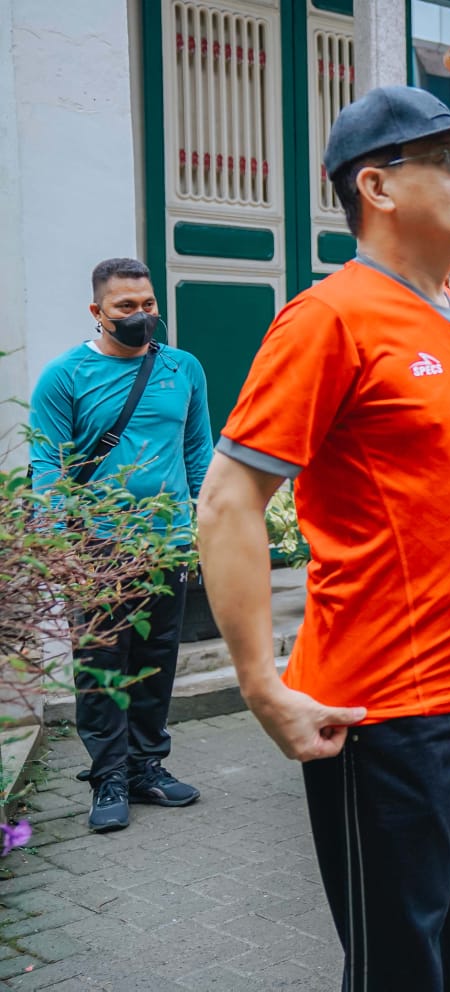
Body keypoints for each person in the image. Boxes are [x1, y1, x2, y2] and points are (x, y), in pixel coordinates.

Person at [196, 86, 450, 990]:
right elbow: (229, 501)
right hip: (387, 712)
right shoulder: (329, 317)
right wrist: (263, 688)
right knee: (400, 966)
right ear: (379, 188)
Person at [29, 257, 211, 833]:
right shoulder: (64, 376)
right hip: (97, 548)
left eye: (148, 304)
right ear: (97, 312)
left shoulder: (183, 369)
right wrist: (59, 546)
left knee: (157, 662)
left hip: (168, 545)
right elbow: (48, 467)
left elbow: (198, 453)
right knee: (104, 666)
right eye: (126, 307)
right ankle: (107, 776)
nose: (141, 315)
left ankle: (145, 768)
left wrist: (207, 527)